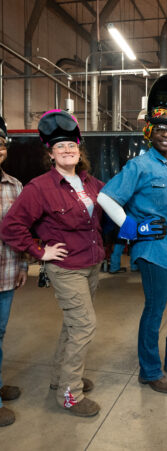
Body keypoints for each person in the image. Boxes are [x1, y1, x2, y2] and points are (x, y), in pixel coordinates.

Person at [98, 74, 167, 394]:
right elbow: (105, 197)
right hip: (155, 252)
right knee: (155, 310)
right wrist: (131, 227)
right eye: (161, 129)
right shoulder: (139, 166)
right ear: (150, 132)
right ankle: (150, 370)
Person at [0, 110, 105, 417]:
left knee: (73, 325)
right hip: (67, 267)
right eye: (60, 147)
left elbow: (109, 208)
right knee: (85, 325)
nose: (67, 150)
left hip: (92, 263)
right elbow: (10, 227)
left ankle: (62, 378)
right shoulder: (39, 187)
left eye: (72, 145)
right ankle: (70, 394)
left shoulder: (90, 182)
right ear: (51, 154)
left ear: (79, 150)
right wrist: (39, 251)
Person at [0, 117, 28, 427]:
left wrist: (23, 264)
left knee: (0, 333)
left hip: (6, 272)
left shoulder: (14, 186)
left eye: (2, 144)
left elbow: (21, 230)